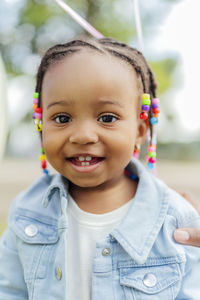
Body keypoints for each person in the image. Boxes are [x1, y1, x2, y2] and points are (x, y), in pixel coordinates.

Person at [0, 36, 200, 300]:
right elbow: (10, 290)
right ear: (40, 124)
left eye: (107, 118)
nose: (82, 136)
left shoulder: (174, 220)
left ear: (140, 131)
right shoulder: (28, 211)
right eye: (62, 118)